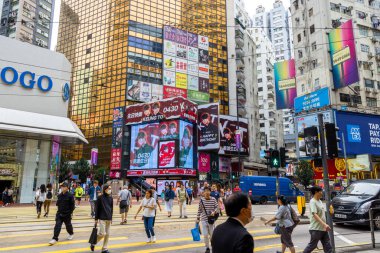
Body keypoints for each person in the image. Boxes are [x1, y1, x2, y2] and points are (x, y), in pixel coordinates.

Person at [303, 186, 333, 253]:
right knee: (312, 246)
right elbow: (314, 214)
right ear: (316, 192)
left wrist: (331, 212)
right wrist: (324, 224)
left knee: (327, 246)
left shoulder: (319, 201)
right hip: (316, 228)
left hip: (323, 228)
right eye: (320, 191)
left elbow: (322, 214)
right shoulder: (312, 202)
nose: (322, 193)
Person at [90, 184, 113, 253]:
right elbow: (97, 209)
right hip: (102, 218)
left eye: (110, 189)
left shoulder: (111, 198)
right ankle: (93, 242)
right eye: (109, 188)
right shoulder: (100, 198)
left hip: (108, 218)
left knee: (108, 234)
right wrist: (96, 219)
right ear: (105, 189)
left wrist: (111, 218)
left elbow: (111, 208)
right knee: (102, 234)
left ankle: (104, 249)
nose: (110, 190)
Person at [196, 187, 219, 253]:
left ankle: (213, 245)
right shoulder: (201, 200)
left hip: (211, 220)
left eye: (208, 191)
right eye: (205, 191)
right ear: (203, 193)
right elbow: (199, 210)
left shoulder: (213, 199)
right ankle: (207, 248)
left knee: (212, 235)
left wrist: (214, 212)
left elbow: (217, 208)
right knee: (205, 234)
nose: (207, 192)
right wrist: (197, 218)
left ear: (210, 192)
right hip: (203, 219)